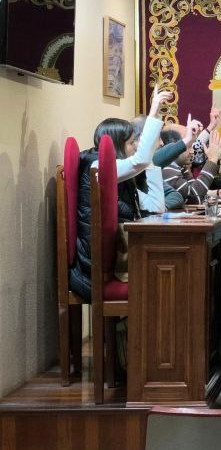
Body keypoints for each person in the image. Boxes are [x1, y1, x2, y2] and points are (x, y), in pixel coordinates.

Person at [69, 87, 172, 300]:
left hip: (114, 257)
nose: (136, 146)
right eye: (132, 142)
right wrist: (153, 112)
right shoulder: (98, 167)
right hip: (94, 266)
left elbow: (156, 206)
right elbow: (139, 160)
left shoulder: (119, 176)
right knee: (169, 272)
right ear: (116, 145)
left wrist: (149, 162)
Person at [161, 127, 221, 204]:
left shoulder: (180, 167)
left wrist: (218, 193)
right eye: (189, 145)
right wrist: (212, 160)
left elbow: (191, 190)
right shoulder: (165, 169)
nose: (193, 150)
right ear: (174, 146)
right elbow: (194, 197)